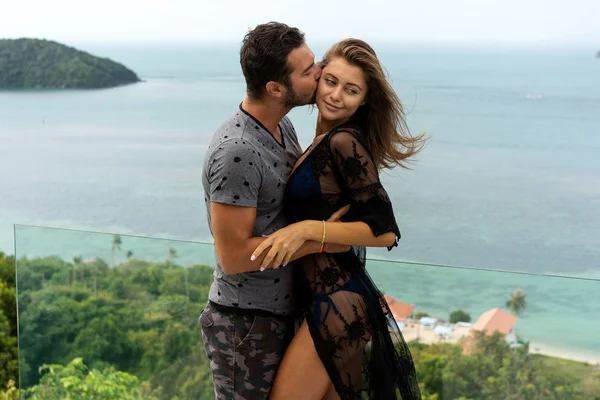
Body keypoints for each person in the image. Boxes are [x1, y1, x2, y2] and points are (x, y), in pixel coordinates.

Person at [251, 39, 427, 399]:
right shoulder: (321, 140)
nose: (335, 95)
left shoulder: (344, 141)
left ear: (364, 99)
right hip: (329, 301)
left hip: (336, 303)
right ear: (317, 77)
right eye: (330, 81)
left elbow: (386, 232)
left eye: (351, 90)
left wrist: (308, 229)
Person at [199, 22, 350, 400]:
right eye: (308, 70)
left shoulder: (281, 125)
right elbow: (232, 256)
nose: (320, 73)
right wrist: (319, 241)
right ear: (276, 88)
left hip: (284, 311)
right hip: (246, 325)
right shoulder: (238, 152)